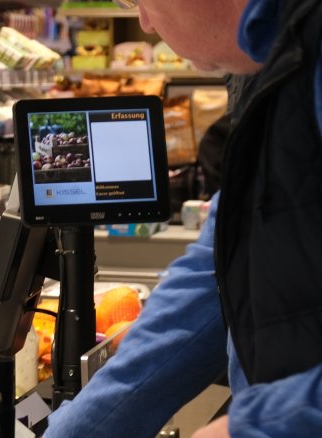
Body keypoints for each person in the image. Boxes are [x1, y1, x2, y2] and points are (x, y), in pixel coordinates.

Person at [46, 0, 322, 436]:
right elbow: (213, 276)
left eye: (138, 1)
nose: (145, 22)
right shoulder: (264, 65)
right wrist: (81, 429)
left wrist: (252, 427)